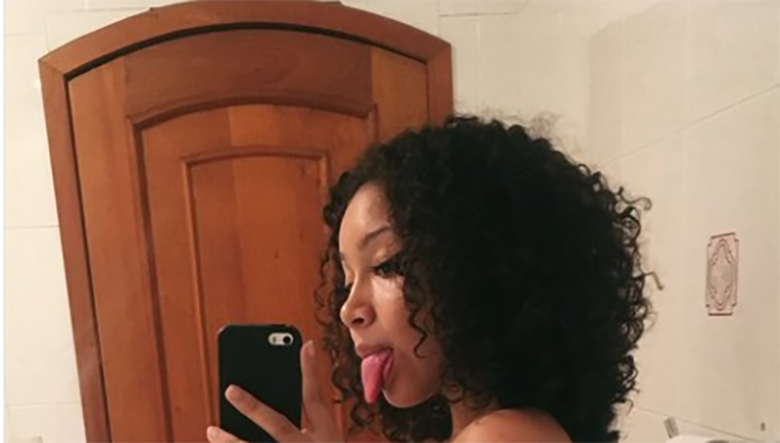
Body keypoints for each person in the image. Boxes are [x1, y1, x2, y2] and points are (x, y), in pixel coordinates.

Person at [206, 115, 652, 443]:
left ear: (478, 270)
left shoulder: (503, 435)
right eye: (346, 279)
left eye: (386, 265)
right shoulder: (503, 429)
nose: (348, 310)